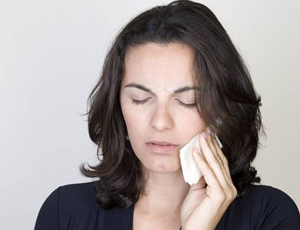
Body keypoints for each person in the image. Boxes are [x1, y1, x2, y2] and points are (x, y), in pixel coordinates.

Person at [34, 0, 300, 229]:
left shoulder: (270, 215)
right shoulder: (64, 212)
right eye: (140, 99)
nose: (160, 122)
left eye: (187, 101)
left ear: (222, 110)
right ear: (117, 105)